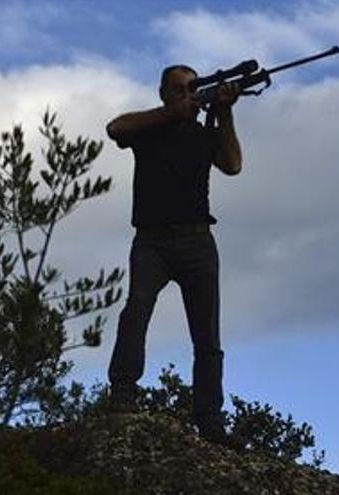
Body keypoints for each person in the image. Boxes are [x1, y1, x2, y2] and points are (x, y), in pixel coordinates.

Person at [104, 64, 242, 446]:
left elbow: (232, 164)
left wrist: (225, 112)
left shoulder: (202, 134)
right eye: (180, 89)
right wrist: (171, 114)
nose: (188, 95)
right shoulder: (149, 130)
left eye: (192, 90)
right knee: (136, 313)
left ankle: (210, 421)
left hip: (198, 240)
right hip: (151, 242)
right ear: (164, 92)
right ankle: (122, 396)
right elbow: (115, 128)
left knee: (207, 335)